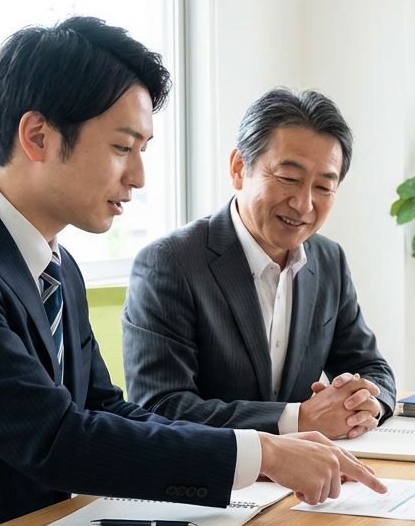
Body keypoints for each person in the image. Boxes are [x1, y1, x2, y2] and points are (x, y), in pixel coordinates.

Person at [0, 18, 384, 526]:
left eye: (143, 149)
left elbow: (106, 409)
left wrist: (259, 453)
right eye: (122, 147)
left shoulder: (56, 265)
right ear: (37, 136)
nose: (137, 176)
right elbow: (55, 439)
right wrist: (265, 453)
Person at [121, 88, 395, 440]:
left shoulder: (328, 260)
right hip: (216, 482)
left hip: (307, 480)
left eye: (324, 187)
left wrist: (368, 403)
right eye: (289, 179)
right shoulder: (171, 263)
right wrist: (297, 419)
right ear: (239, 169)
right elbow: (160, 407)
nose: (303, 204)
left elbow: (371, 367)